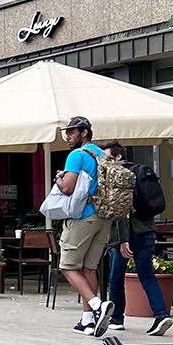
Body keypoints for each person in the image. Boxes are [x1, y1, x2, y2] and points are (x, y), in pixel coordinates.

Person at [99, 143, 173, 338]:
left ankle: (117, 319)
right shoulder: (140, 172)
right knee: (146, 275)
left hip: (125, 235)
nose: (103, 161)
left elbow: (123, 212)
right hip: (147, 231)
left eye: (106, 157)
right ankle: (161, 315)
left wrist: (123, 240)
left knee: (116, 277)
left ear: (117, 157)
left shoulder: (119, 175)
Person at [50, 116, 113, 333]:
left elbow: (67, 188)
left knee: (67, 267)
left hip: (82, 217)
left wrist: (59, 178)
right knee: (88, 269)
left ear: (84, 132)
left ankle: (98, 306)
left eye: (72, 132)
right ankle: (87, 320)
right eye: (66, 133)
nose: (68, 137)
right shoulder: (102, 154)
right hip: (103, 217)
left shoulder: (77, 155)